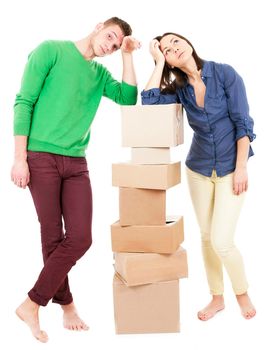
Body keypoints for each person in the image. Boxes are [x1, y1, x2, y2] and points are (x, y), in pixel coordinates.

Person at [11, 17, 140, 342]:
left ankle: (32, 303)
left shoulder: (100, 75)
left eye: (114, 44)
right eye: (110, 36)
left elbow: (128, 97)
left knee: (80, 238)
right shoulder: (50, 50)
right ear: (98, 26)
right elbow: (24, 102)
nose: (109, 45)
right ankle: (66, 306)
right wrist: (19, 158)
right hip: (41, 157)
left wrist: (127, 56)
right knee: (53, 237)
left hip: (76, 162)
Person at [141, 32, 256, 321]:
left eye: (175, 41)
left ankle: (242, 294)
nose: (173, 48)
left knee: (222, 241)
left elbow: (243, 124)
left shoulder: (225, 74)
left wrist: (241, 167)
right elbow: (149, 104)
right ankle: (217, 298)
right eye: (166, 50)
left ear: (188, 41)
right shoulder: (179, 89)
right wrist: (156, 64)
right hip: (199, 169)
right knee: (206, 238)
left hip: (232, 168)